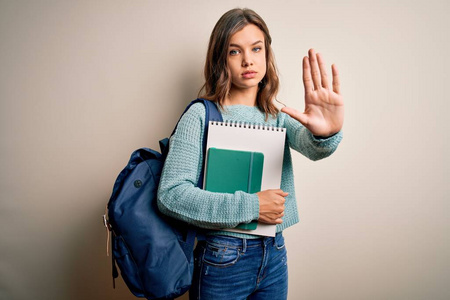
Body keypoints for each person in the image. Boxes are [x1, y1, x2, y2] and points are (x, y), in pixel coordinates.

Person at [157, 8, 344, 300]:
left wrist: (327, 132)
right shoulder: (200, 115)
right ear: (221, 59)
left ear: (267, 55)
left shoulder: (277, 114)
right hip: (222, 258)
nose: (248, 60)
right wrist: (253, 207)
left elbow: (314, 148)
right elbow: (171, 195)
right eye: (235, 51)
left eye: (256, 48)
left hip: (275, 254)